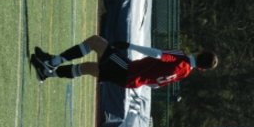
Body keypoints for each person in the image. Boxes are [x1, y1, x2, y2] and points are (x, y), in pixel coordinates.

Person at [30, 35, 218, 87]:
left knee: (95, 42)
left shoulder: (181, 58)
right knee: (89, 68)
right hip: (130, 80)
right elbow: (155, 85)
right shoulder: (185, 73)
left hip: (127, 70)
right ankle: (47, 73)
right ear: (201, 69)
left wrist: (130, 45)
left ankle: (53, 62)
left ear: (200, 52)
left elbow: (157, 54)